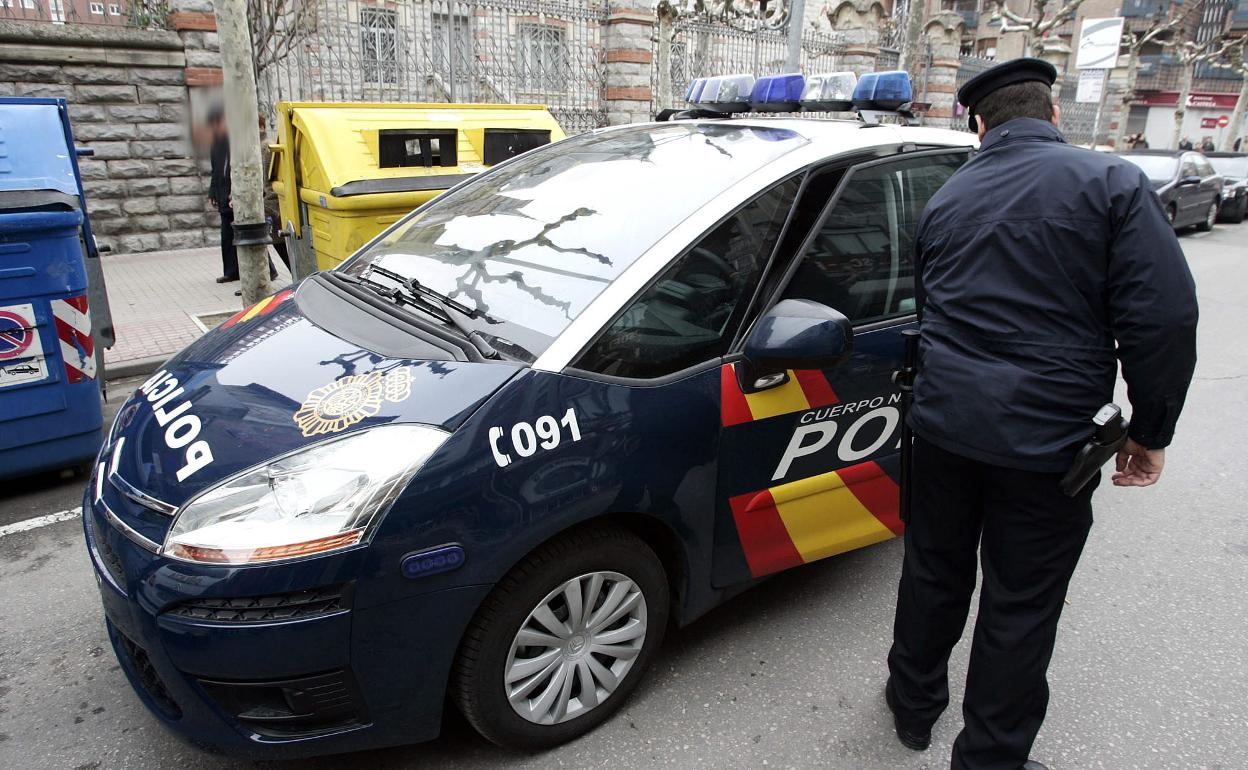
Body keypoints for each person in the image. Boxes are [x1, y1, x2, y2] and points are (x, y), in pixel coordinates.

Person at [885, 58, 1198, 770]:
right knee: (1020, 602)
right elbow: (1165, 321)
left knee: (932, 570)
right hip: (1046, 443)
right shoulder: (1112, 182)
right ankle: (990, 757)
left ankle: (911, 705)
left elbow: (931, 316)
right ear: (1055, 117)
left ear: (978, 124)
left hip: (940, 428)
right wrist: (1151, 433)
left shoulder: (948, 197)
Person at [207, 107, 237, 284]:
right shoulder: (216, 143)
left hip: (233, 194)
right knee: (228, 235)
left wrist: (235, 193)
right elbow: (216, 170)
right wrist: (213, 190)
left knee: (245, 233)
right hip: (223, 192)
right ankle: (231, 270)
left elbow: (237, 169)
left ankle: (267, 268)